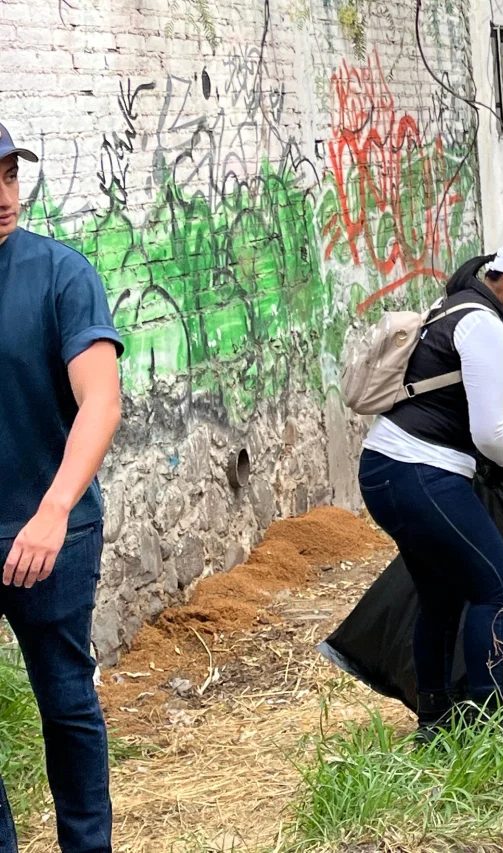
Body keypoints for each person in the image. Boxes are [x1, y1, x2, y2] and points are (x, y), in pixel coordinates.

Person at [358, 239, 503, 739]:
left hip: (385, 469)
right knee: (494, 586)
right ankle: (491, 724)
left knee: (441, 596)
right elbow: (488, 431)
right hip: (420, 472)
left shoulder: (452, 305)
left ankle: (434, 722)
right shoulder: (483, 324)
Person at [0, 123, 123, 853]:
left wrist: (52, 511)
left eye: (9, 175)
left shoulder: (61, 274)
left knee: (66, 702)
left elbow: (100, 401)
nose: (3, 195)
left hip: (55, 536)